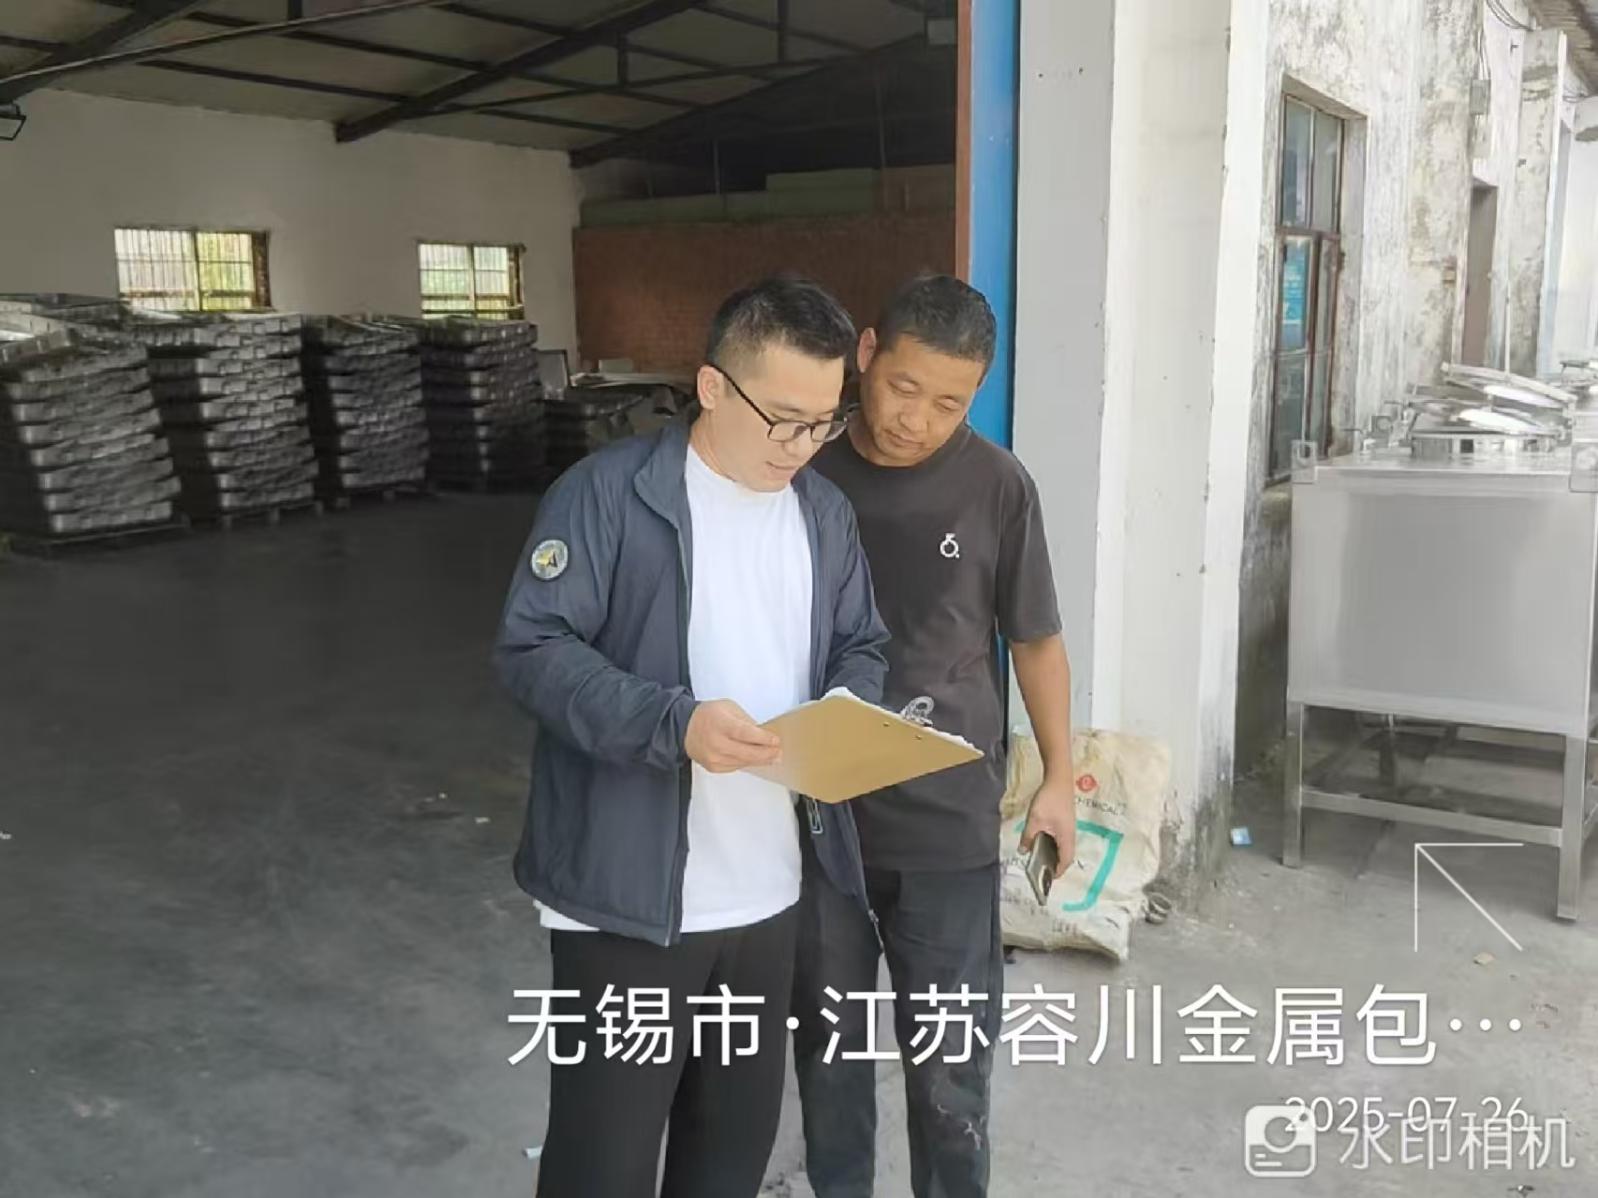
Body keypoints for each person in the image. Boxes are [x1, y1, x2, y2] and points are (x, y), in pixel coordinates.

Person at [493, 273, 889, 1198]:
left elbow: (861, 644)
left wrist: (845, 715)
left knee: (728, 1158)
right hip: (625, 902)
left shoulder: (823, 514)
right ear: (713, 387)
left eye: (824, 423)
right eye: (783, 420)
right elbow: (533, 649)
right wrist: (673, 724)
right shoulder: (608, 496)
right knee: (603, 1165)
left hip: (768, 895)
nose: (803, 447)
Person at [793, 274, 1076, 1198]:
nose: (916, 420)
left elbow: (1035, 641)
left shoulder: (997, 486)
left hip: (946, 825)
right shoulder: (802, 470)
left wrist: (1059, 778)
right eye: (903, 388)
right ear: (867, 354)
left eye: (949, 403)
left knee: (952, 1070)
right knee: (828, 1055)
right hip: (820, 822)